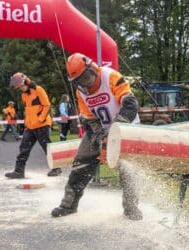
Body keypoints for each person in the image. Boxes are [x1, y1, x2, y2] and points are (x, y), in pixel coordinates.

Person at [51, 53, 142, 220]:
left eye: (87, 76)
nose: (86, 81)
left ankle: (131, 208)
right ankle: (68, 205)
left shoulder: (111, 77)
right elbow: (88, 119)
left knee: (127, 168)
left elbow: (130, 104)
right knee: (80, 162)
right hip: (100, 129)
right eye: (80, 80)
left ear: (92, 67)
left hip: (126, 126)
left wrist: (113, 134)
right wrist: (101, 139)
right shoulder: (81, 92)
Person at [5, 72, 62, 178]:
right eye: (19, 87)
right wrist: (27, 123)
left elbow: (47, 106)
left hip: (42, 125)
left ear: (26, 82)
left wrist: (40, 119)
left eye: (21, 86)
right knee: (23, 148)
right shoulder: (24, 95)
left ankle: (56, 168)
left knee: (47, 148)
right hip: (30, 126)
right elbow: (28, 110)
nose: (20, 89)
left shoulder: (38, 90)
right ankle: (19, 171)